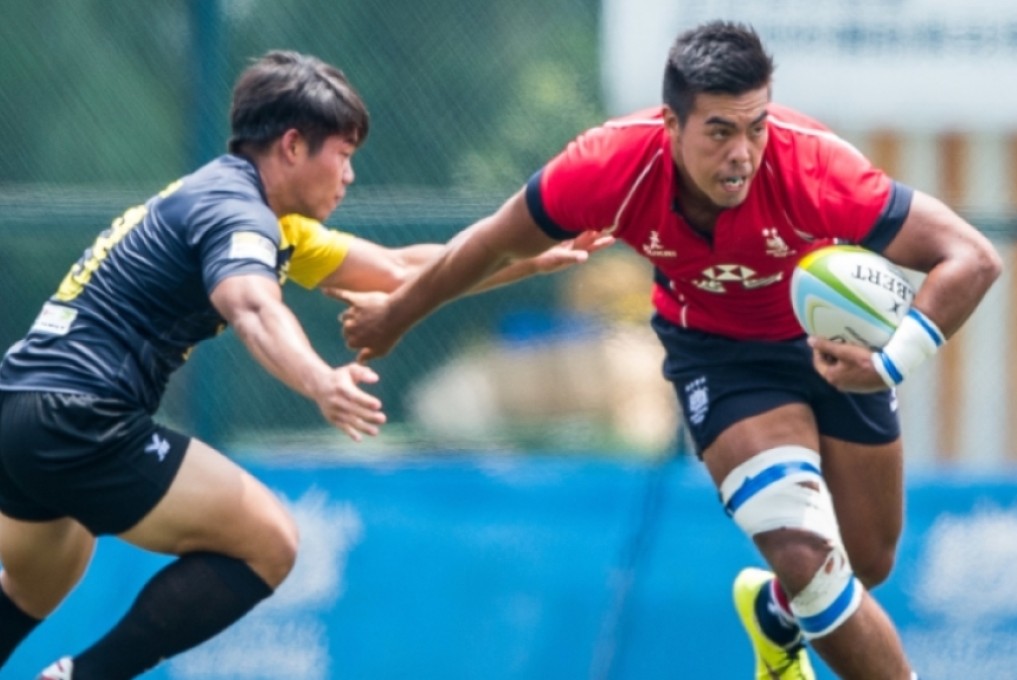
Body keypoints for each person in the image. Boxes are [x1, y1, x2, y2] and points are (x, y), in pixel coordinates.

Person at [338, 21, 1002, 680]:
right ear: (671, 124)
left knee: (865, 564)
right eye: (719, 131)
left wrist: (886, 364)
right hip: (722, 358)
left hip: (836, 353)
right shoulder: (606, 166)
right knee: (806, 555)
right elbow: (492, 244)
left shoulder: (816, 168)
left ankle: (775, 615)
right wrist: (398, 314)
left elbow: (972, 257)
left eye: (756, 127)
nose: (742, 153)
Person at [0, 50, 606, 680]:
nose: (349, 175)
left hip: (18, 411)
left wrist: (527, 255)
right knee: (268, 541)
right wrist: (321, 380)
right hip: (81, 414)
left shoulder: (265, 217)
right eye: (342, 154)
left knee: (40, 581)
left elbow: (399, 269)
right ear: (292, 146)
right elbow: (252, 307)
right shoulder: (237, 212)